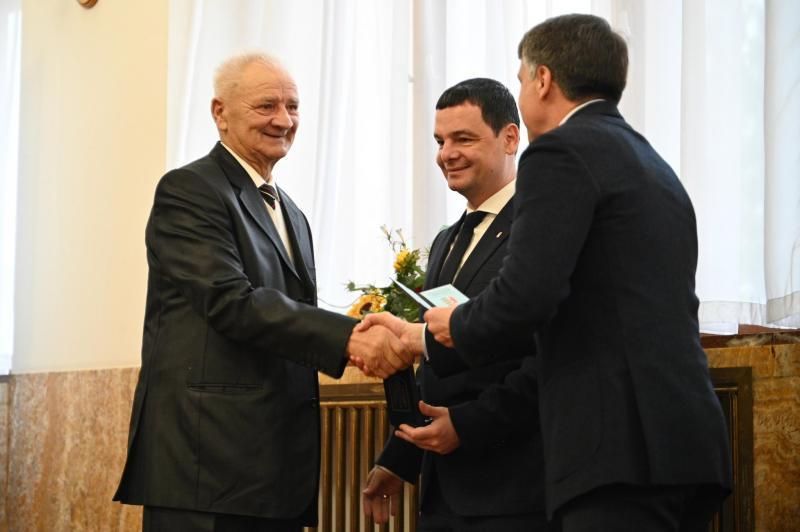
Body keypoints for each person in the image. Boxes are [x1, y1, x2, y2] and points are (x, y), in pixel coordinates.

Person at [361, 14, 733, 532]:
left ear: (542, 79)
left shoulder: (561, 151)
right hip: (680, 444)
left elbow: (526, 299)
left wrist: (429, 334)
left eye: (520, 79)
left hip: (614, 449)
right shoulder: (654, 166)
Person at [112, 52, 410, 531]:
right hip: (206, 466)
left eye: (293, 106)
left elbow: (289, 320)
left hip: (273, 472)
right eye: (266, 106)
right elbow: (231, 301)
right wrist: (350, 337)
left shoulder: (292, 213)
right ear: (220, 112)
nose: (284, 120)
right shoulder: (189, 190)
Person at [361, 78, 549, 531]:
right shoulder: (447, 241)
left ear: (510, 138)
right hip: (443, 493)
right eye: (440, 141)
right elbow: (436, 364)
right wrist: (399, 458)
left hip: (515, 489)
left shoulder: (540, 229)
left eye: (463, 139)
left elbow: (546, 357)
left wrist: (467, 425)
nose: (447, 154)